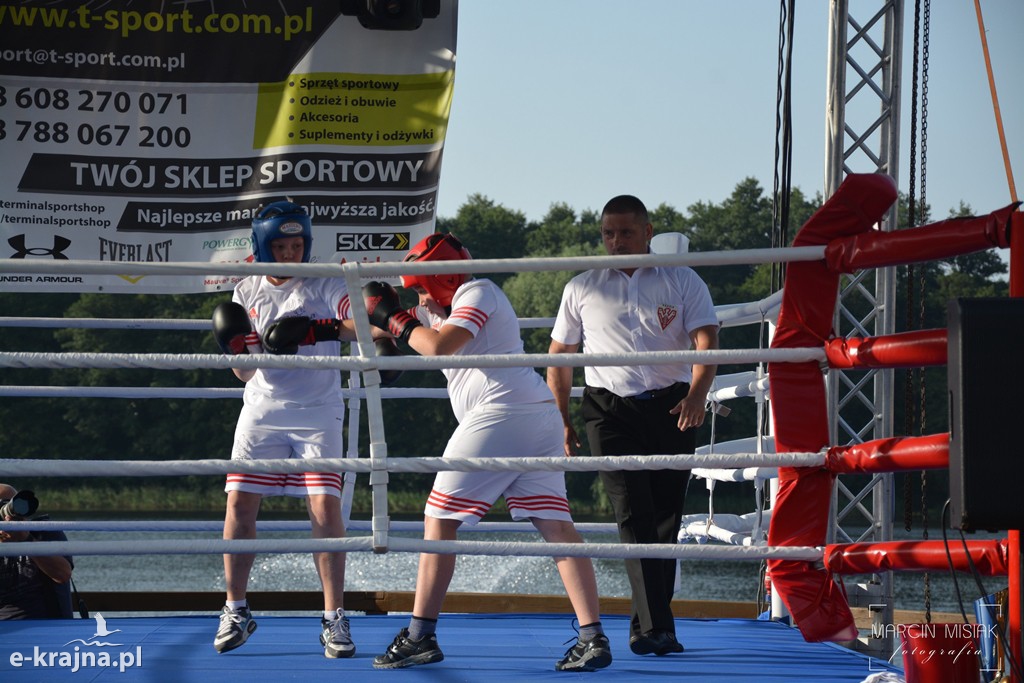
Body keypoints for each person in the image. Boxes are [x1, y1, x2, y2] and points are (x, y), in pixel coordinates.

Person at [363, 233, 612, 672]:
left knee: (439, 520)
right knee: (556, 527)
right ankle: (592, 637)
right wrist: (316, 330)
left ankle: (420, 634)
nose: (419, 296)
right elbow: (378, 322)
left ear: (443, 276)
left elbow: (438, 345)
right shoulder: (436, 308)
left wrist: (395, 319)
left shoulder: (478, 292)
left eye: (422, 286)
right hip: (534, 418)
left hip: (502, 414)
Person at [546, 194, 719, 656]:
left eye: (625, 232)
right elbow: (559, 359)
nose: (616, 241)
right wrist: (560, 419)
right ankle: (655, 629)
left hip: (673, 405)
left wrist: (697, 395)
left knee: (666, 516)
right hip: (608, 410)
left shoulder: (682, 279)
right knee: (632, 513)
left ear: (647, 233)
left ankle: (653, 627)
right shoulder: (581, 287)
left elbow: (708, 339)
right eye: (608, 233)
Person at [211, 199, 369, 658]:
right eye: (280, 245)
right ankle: (235, 609)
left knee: (325, 510)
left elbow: (359, 324)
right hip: (262, 406)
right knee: (240, 504)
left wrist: (315, 330)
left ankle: (333, 618)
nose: (289, 253)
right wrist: (241, 347)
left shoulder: (324, 280)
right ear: (263, 245)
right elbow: (243, 373)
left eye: (297, 244)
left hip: (318, 409)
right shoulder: (247, 290)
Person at [0, 483, 74, 620]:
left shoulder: (44, 531)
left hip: (47, 627)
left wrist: (26, 540)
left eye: (11, 504)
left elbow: (63, 574)